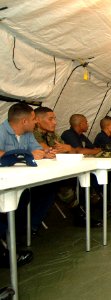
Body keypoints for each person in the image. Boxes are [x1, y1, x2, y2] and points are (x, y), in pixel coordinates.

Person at [0, 103, 49, 268]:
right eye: (34, 119)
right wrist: (27, 155)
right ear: (24, 121)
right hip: (4, 184)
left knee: (36, 192)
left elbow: (37, 150)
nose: (36, 123)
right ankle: (6, 241)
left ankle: (15, 234)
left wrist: (43, 153)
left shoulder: (28, 134)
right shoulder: (1, 131)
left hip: (21, 181)